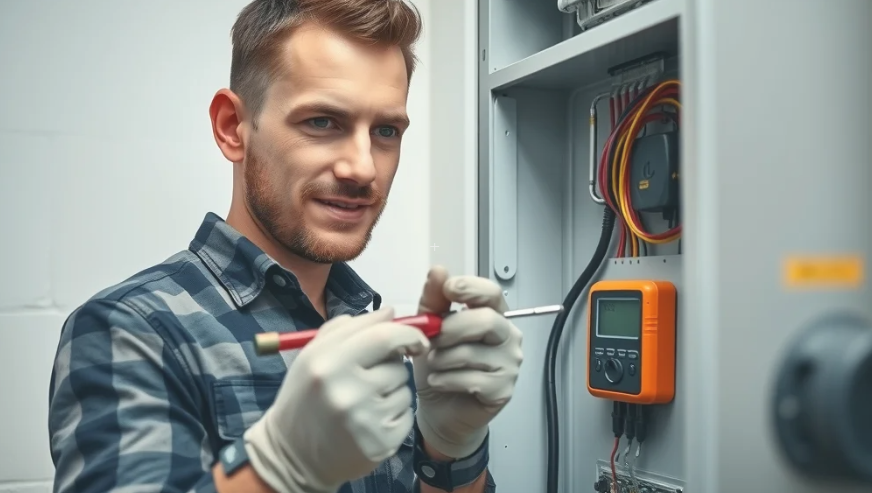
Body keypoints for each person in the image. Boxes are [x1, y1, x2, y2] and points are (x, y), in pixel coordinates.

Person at [47, 0, 524, 492]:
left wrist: (450, 449)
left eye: (385, 131)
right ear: (232, 127)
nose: (363, 168)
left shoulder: (373, 337)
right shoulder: (131, 331)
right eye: (322, 122)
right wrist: (277, 465)